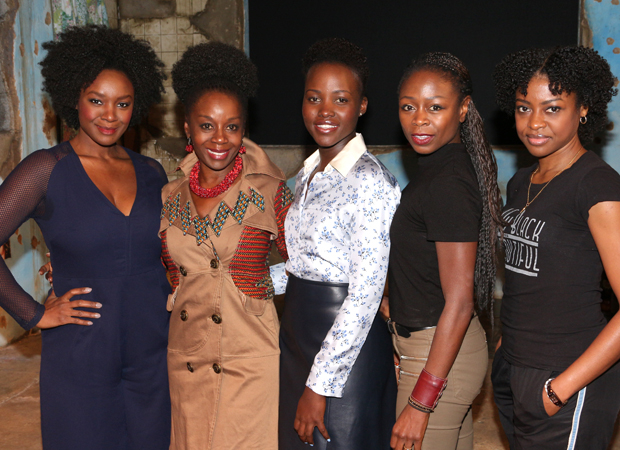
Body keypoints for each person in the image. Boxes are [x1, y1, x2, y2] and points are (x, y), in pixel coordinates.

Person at [0, 25, 170, 449]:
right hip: (81, 356)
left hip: (153, 356)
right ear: (73, 99)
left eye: (123, 104)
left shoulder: (153, 174)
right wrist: (33, 315)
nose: (109, 115)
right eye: (97, 100)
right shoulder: (45, 169)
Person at [160, 42, 292, 449]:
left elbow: (312, 266)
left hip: (250, 357)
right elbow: (168, 273)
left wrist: (259, 284)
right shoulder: (169, 195)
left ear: (243, 130)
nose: (220, 138)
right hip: (186, 357)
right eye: (206, 125)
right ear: (187, 127)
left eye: (232, 126)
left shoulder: (271, 191)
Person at [491, 46, 620, 450]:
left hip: (565, 378)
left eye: (552, 108)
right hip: (513, 367)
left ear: (583, 109)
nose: (534, 123)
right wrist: (504, 352)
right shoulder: (520, 182)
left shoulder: (596, 186)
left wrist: (559, 390)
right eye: (523, 108)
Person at [279, 37, 401, 450]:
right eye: (314, 98)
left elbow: (365, 292)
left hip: (346, 350)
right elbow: (311, 262)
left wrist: (320, 385)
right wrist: (256, 280)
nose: (325, 111)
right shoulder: (310, 172)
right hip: (299, 336)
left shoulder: (369, 181)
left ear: (362, 106)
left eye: (340, 99)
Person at [388, 52, 504, 450]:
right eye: (408, 107)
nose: (419, 119)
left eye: (435, 107)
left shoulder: (448, 182)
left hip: (438, 356)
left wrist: (421, 403)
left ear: (463, 109)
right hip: (439, 350)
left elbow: (459, 301)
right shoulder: (439, 168)